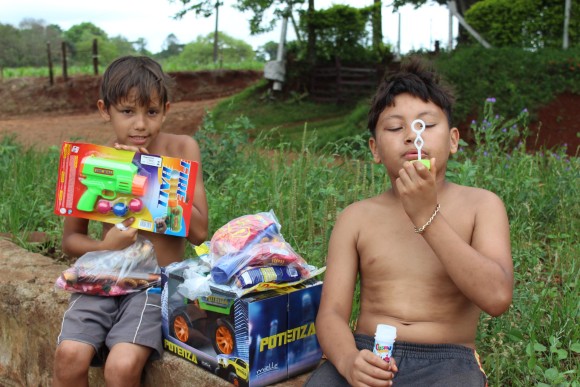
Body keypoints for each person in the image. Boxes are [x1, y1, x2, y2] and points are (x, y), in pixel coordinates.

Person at [306, 58, 513, 386]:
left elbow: (497, 297)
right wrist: (348, 362)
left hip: (448, 362)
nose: (411, 137)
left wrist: (426, 216)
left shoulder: (482, 206)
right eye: (394, 127)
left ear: (454, 140)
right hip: (368, 352)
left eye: (426, 125)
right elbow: (331, 314)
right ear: (375, 149)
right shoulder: (356, 217)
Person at [53, 56, 209, 386]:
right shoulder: (96, 162)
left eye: (151, 112)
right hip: (104, 275)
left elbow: (198, 232)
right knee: (69, 356)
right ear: (104, 109)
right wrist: (103, 245)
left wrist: (147, 174)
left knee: (121, 367)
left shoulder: (182, 148)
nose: (140, 124)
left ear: (165, 109)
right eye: (127, 112)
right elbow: (70, 241)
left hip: (153, 285)